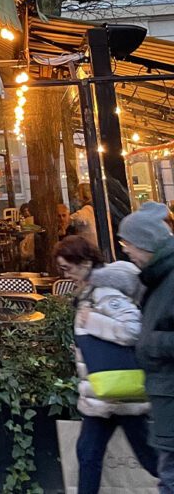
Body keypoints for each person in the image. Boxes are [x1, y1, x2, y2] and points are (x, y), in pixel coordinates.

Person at [54, 235, 157, 494]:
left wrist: (93, 324)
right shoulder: (90, 291)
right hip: (103, 393)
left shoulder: (104, 291)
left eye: (68, 268)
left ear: (86, 262)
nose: (66, 275)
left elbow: (134, 329)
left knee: (150, 459)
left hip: (118, 392)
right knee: (88, 454)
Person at [118, 206, 174, 493]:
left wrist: (149, 342)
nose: (126, 251)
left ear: (146, 243)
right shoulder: (158, 278)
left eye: (128, 244)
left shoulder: (168, 280)